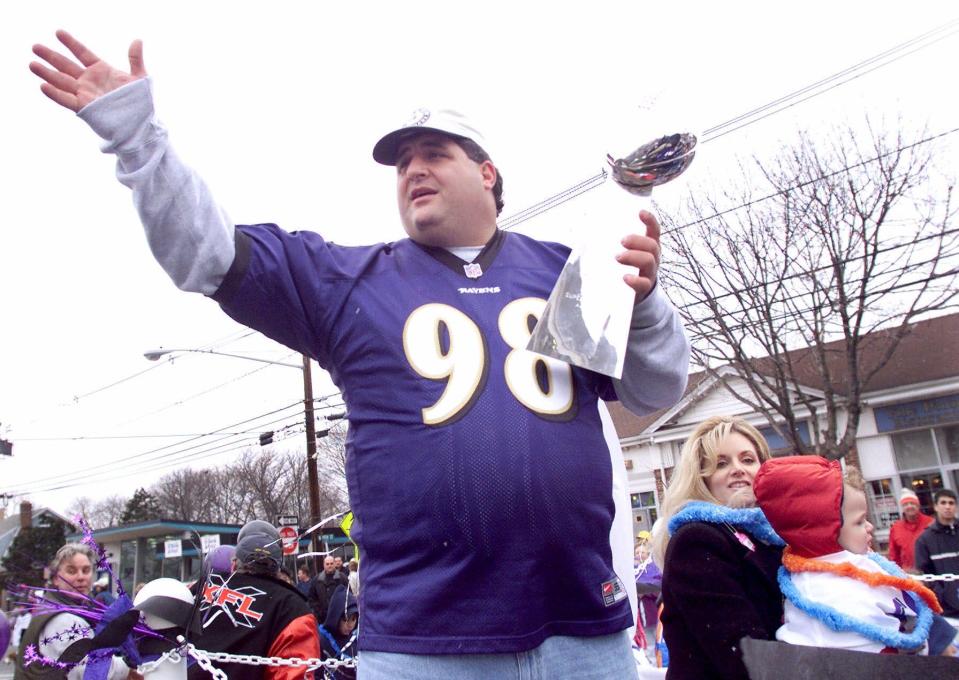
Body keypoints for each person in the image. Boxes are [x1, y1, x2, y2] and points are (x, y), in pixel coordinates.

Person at [29, 31, 690, 678]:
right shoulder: (350, 282)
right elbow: (204, 251)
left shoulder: (563, 271)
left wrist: (646, 299)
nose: (413, 170)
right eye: (402, 164)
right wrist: (137, 138)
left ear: (486, 172)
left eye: (434, 153)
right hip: (424, 645)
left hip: (583, 632)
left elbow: (654, 390)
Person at [754, 457, 943, 654]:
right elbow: (867, 662)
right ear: (825, 528)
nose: (870, 526)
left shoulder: (855, 563)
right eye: (860, 522)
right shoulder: (828, 594)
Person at [654, 416, 784, 680]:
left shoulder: (771, 536)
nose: (738, 469)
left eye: (748, 460)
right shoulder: (697, 540)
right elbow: (743, 654)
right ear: (702, 478)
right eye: (721, 464)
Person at [191, 520, 321, 680]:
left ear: (234, 563)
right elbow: (293, 673)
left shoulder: (201, 587)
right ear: (279, 566)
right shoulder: (293, 608)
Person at [14, 543, 140, 680]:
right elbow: (94, 668)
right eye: (71, 571)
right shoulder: (64, 620)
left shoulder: (64, 608)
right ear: (56, 578)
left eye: (86, 570)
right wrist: (128, 669)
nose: (81, 577)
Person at [915, 489, 959, 618]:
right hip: (948, 609)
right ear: (936, 506)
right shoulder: (925, 539)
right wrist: (943, 594)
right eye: (943, 503)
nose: (947, 507)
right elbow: (925, 574)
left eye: (951, 503)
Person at [888, 488, 934, 572]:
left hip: (931, 571)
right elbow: (894, 554)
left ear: (918, 505)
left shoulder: (931, 523)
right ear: (902, 507)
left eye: (912, 503)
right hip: (908, 572)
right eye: (905, 504)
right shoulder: (896, 527)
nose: (909, 506)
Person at [318, 585, 358, 680]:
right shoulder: (321, 639)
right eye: (345, 619)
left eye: (353, 619)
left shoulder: (355, 640)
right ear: (335, 617)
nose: (350, 625)